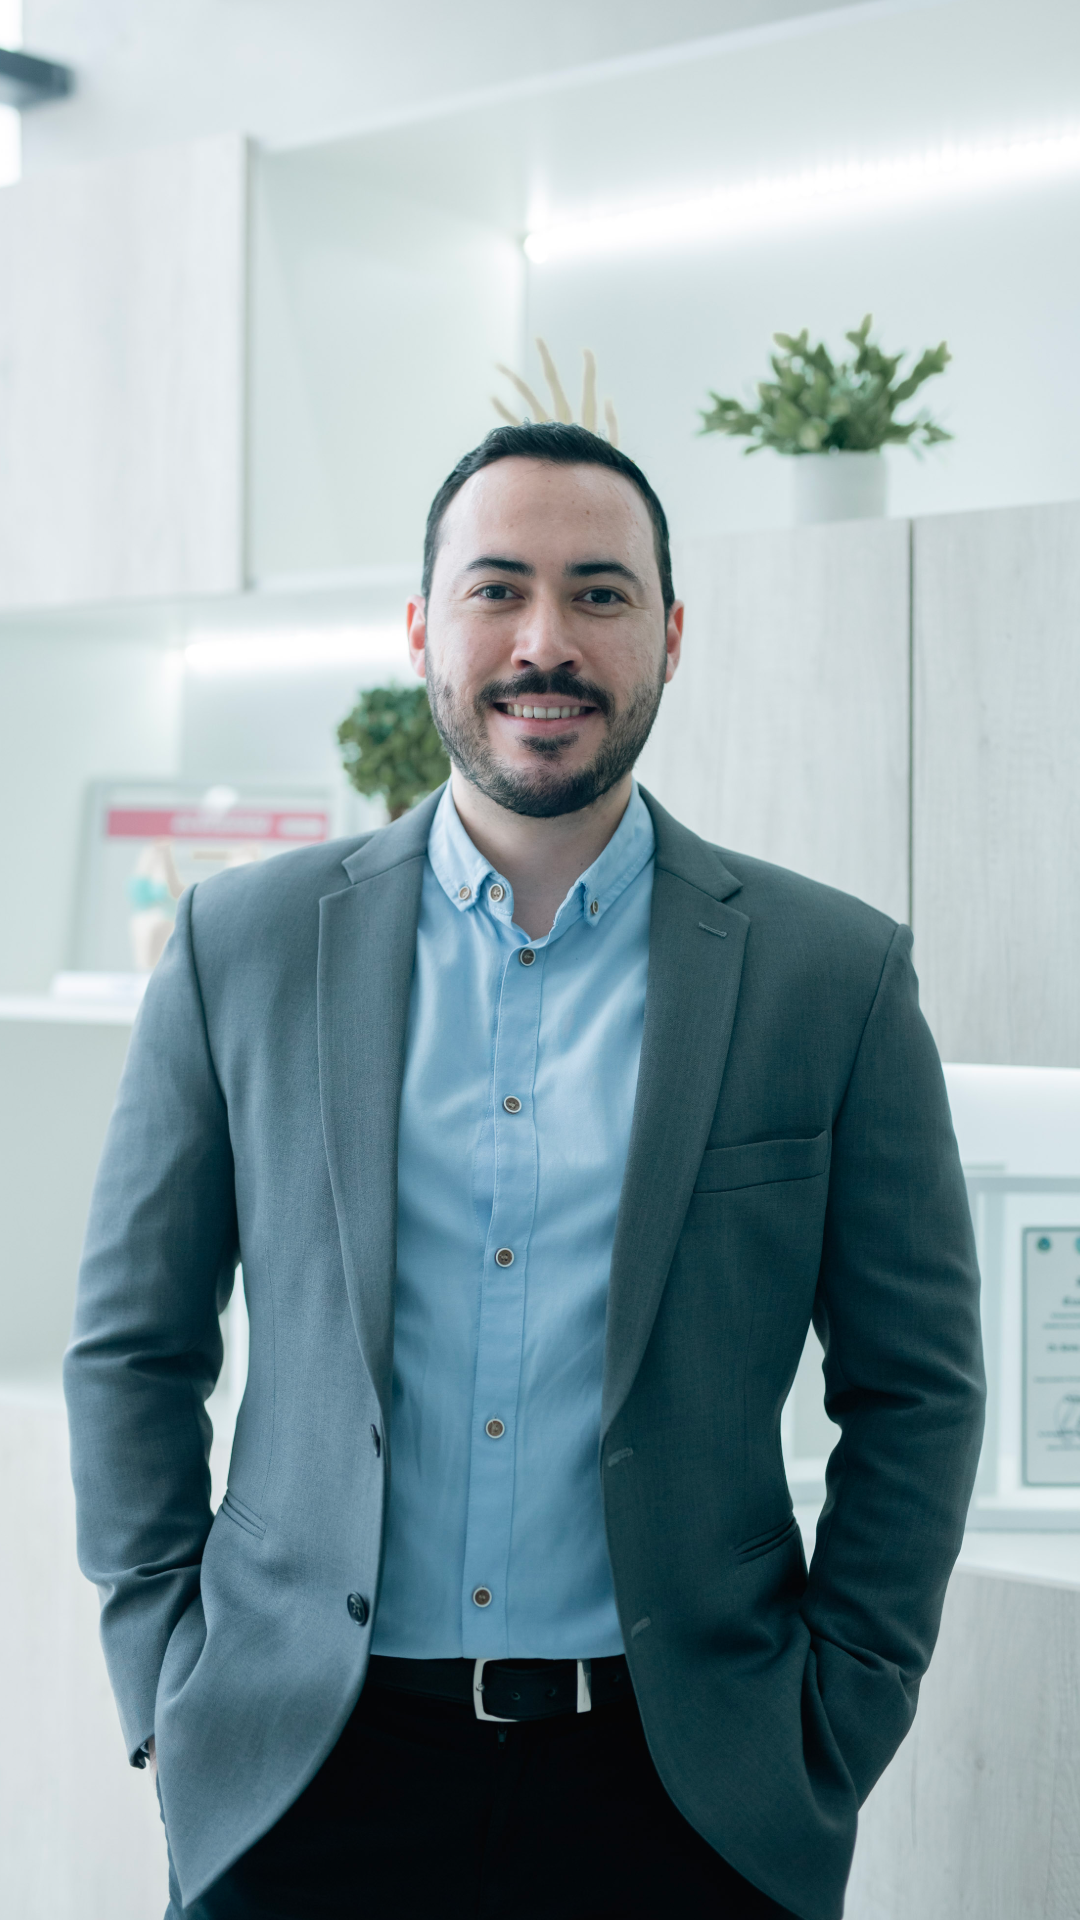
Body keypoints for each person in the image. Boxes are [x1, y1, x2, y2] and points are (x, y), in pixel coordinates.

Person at [65, 422, 985, 1920]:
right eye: (497, 589)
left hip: (688, 1797)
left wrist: (845, 1708)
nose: (545, 642)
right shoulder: (242, 951)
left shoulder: (834, 976)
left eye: (602, 594)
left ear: (671, 636)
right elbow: (130, 1346)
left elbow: (922, 1382)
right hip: (302, 1783)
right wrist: (170, 1684)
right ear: (423, 628)